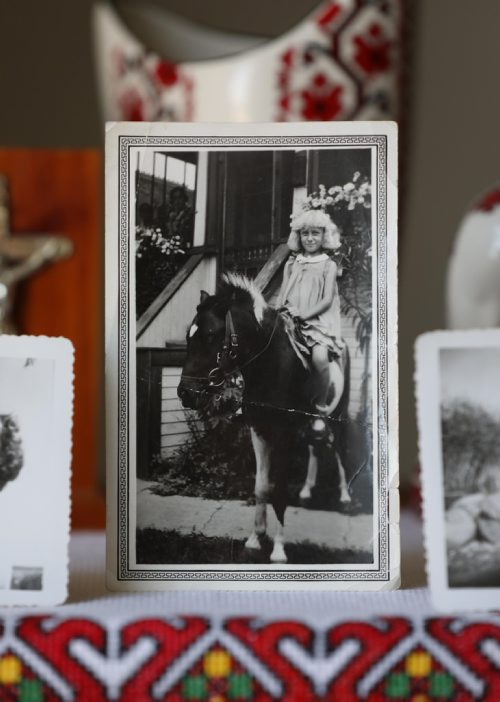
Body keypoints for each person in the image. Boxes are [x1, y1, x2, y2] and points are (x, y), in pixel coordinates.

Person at [277, 208, 343, 434]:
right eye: (305, 234)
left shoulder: (328, 265)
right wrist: (280, 311)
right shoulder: (292, 263)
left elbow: (326, 299)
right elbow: (283, 291)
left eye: (315, 233)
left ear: (324, 236)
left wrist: (303, 315)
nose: (310, 238)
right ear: (298, 236)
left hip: (317, 320)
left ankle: (319, 410)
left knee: (320, 358)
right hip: (290, 317)